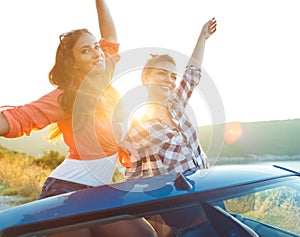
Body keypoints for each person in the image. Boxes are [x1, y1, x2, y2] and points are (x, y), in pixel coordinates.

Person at [0, 0, 156, 236]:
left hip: (99, 192)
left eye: (96, 47)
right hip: (65, 191)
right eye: (86, 50)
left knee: (144, 235)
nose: (96, 53)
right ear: (73, 64)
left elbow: (110, 39)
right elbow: (21, 117)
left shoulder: (104, 77)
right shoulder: (66, 97)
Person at [121, 18, 217, 181]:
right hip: (174, 198)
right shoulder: (137, 125)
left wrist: (203, 37)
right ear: (145, 77)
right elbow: (135, 173)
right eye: (161, 73)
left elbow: (191, 75)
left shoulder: (176, 107)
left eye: (173, 76)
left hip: (205, 186)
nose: (169, 79)